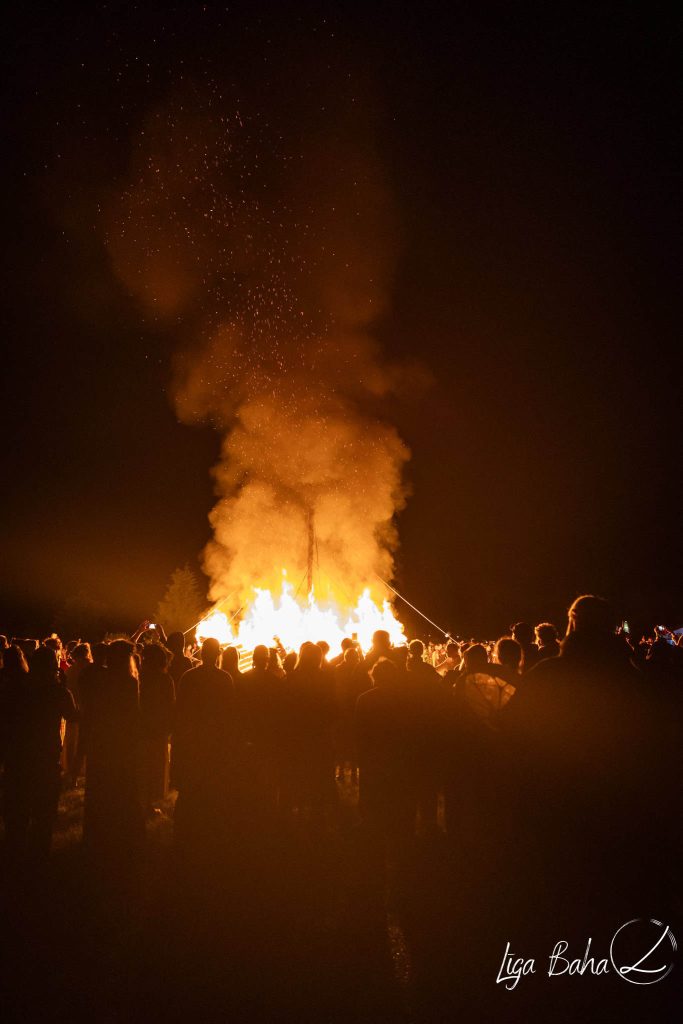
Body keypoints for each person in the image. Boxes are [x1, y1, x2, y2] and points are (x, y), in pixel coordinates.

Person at [0, 645, 77, 860]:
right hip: (45, 755)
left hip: (18, 754)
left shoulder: (16, 688)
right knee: (43, 810)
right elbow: (73, 715)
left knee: (16, 807)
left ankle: (13, 851)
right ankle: (38, 855)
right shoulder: (58, 691)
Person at [171, 638, 242, 847]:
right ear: (217, 654)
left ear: (202, 654)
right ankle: (210, 827)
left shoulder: (189, 677)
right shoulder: (224, 678)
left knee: (192, 785)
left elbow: (181, 709)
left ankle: (187, 828)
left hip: (194, 738)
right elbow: (230, 712)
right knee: (211, 782)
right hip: (214, 739)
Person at [79, 639, 145, 856]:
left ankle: (97, 835)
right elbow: (133, 717)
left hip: (102, 742)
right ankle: (122, 835)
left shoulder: (101, 679)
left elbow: (91, 712)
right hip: (121, 744)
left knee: (100, 787)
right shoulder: (128, 682)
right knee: (122, 789)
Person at [139, 643, 175, 812]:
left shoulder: (140, 677)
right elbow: (170, 705)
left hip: (143, 726)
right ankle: (149, 801)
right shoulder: (164, 679)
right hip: (157, 728)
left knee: (143, 764)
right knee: (155, 765)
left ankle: (143, 800)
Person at [333, 646, 369, 783]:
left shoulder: (338, 670)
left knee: (344, 743)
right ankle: (351, 772)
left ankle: (345, 771)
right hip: (352, 710)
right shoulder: (359, 671)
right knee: (351, 743)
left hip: (344, 711)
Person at [62, 642, 92, 785]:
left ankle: (71, 768)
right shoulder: (91, 669)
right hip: (88, 709)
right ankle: (82, 769)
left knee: (72, 740)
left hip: (73, 708)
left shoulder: (71, 670)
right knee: (84, 741)